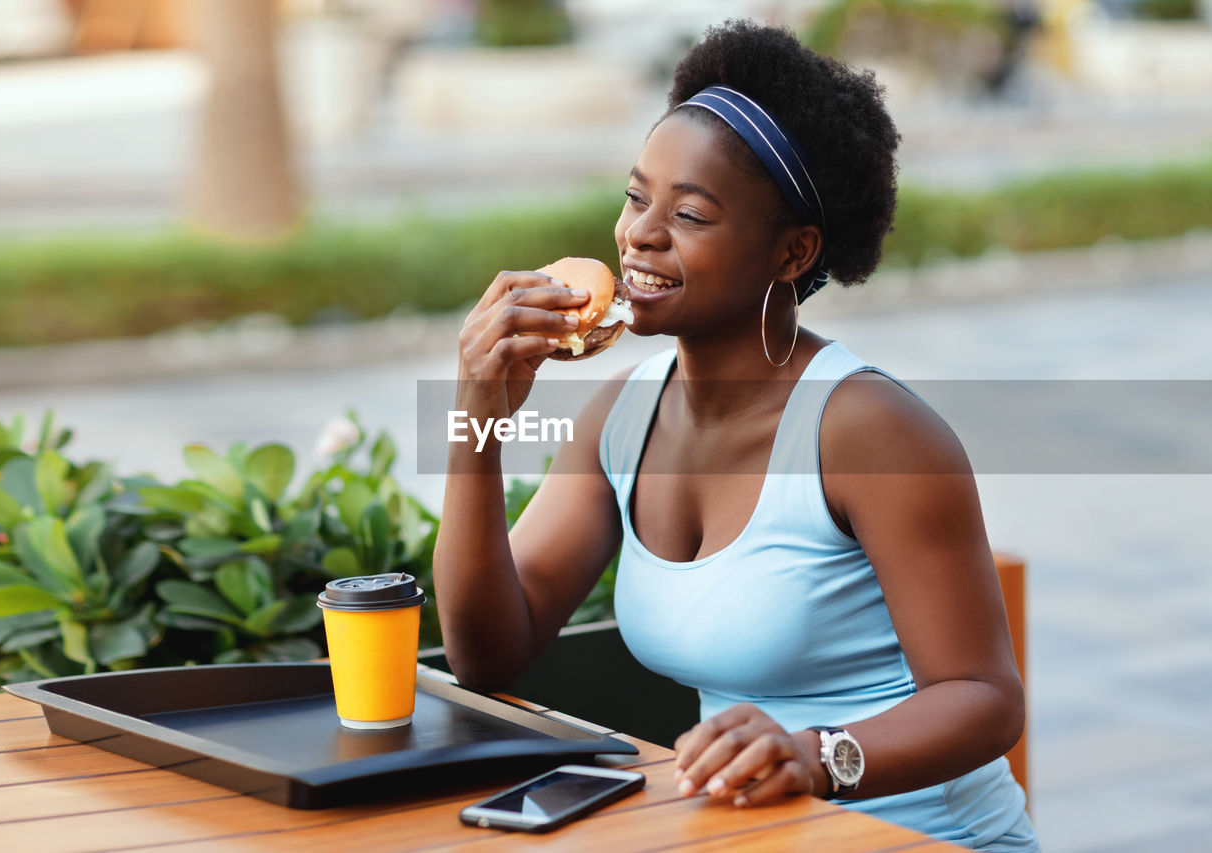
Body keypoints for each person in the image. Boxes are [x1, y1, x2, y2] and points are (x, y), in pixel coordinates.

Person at [434, 19, 1039, 851]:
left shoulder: (871, 431)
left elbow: (984, 696)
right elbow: (485, 655)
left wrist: (814, 755)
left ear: (792, 252)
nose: (641, 233)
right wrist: (479, 419)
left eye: (690, 212)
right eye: (636, 195)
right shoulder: (622, 415)